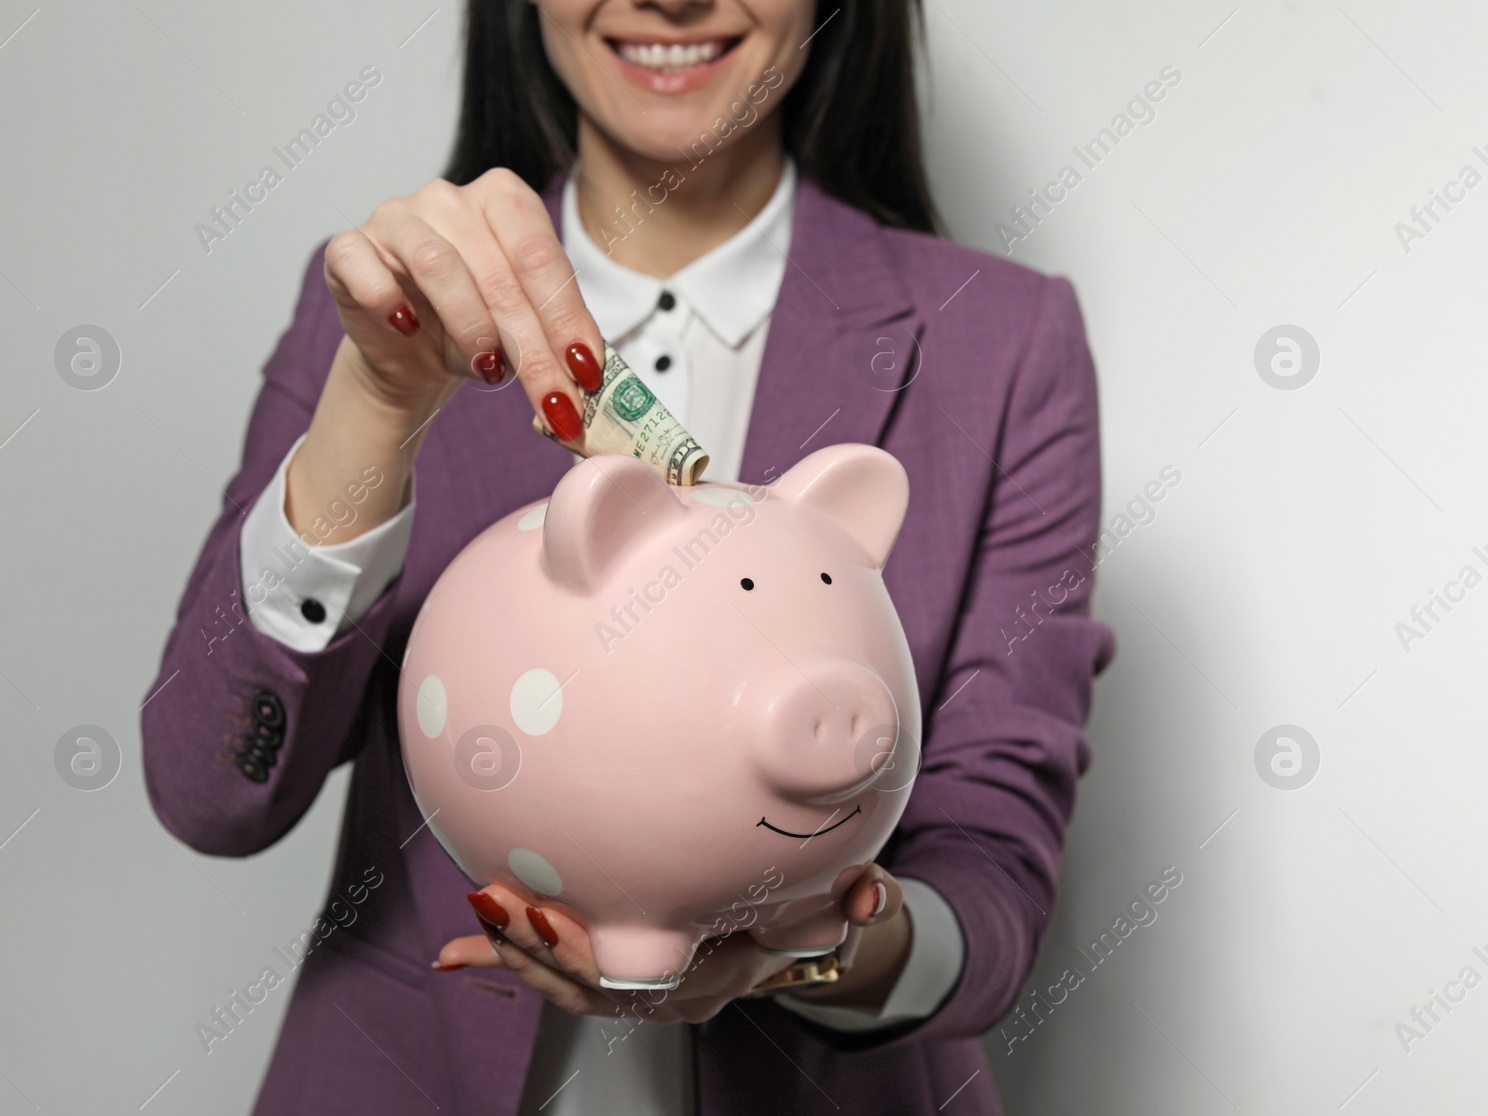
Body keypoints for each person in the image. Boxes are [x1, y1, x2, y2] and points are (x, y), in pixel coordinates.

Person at [141, 1, 1115, 1112]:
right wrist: (376, 405)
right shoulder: (378, 323)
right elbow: (207, 792)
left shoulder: (1000, 344)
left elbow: (991, 881)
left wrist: (820, 946)